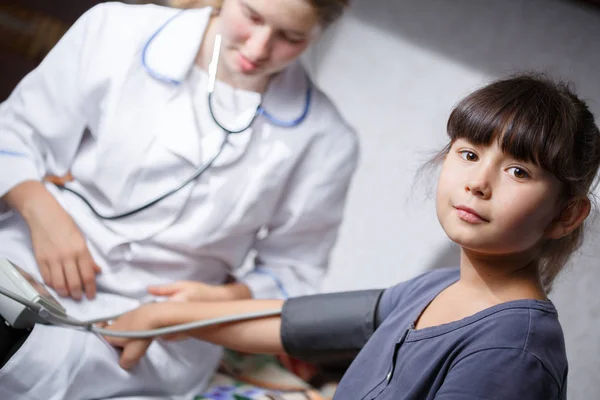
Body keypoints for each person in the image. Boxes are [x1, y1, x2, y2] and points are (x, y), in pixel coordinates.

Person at [104, 74, 600, 399]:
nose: (478, 181)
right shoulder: (434, 289)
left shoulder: (513, 352)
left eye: (518, 171)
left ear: (567, 215)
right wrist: (163, 315)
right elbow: (289, 323)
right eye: (469, 153)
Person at [0, 0, 357, 398]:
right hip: (31, 253)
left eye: (291, 38)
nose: (258, 49)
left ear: (318, 33)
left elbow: (295, 272)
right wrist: (39, 209)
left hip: (165, 323)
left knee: (59, 365)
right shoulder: (117, 28)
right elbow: (14, 133)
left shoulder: (326, 140)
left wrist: (219, 299)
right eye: (252, 17)